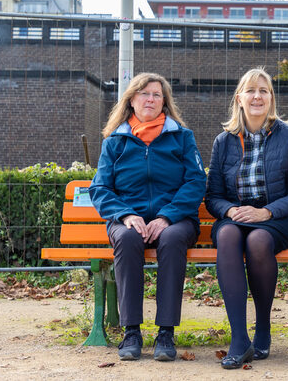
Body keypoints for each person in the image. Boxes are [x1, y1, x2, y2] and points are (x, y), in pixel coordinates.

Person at [89, 73, 206, 361]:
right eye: (144, 93)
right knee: (128, 241)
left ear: (164, 101)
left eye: (156, 94)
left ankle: (166, 331)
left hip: (176, 220)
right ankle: (132, 332)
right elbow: (100, 188)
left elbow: (195, 182)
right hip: (128, 220)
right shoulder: (115, 141)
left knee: (172, 239)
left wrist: (167, 216)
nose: (150, 99)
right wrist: (126, 215)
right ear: (131, 100)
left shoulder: (182, 136)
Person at [205, 67, 288, 369]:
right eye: (251, 90)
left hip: (281, 218)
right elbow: (212, 197)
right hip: (238, 217)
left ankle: (262, 327)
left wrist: (266, 212)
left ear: (271, 99)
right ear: (239, 98)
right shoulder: (223, 141)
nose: (257, 96)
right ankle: (239, 339)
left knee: (258, 240)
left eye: (264, 91)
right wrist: (228, 210)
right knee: (226, 234)